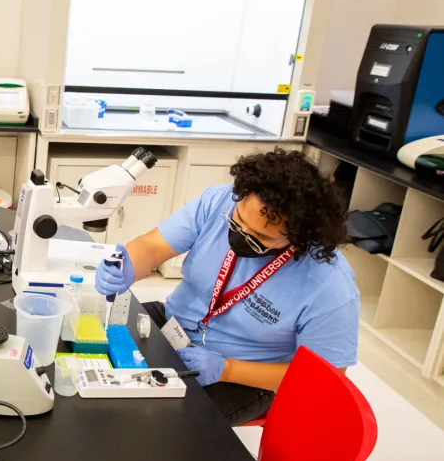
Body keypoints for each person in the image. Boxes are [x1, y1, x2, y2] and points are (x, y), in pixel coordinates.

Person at [94, 149, 358, 426]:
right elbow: (153, 246)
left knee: (148, 418)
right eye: (237, 220)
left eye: (260, 237)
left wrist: (226, 369)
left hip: (244, 376)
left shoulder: (329, 285)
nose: (241, 235)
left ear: (299, 237)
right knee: (84, 343)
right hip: (173, 324)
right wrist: (127, 266)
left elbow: (324, 378)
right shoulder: (218, 201)